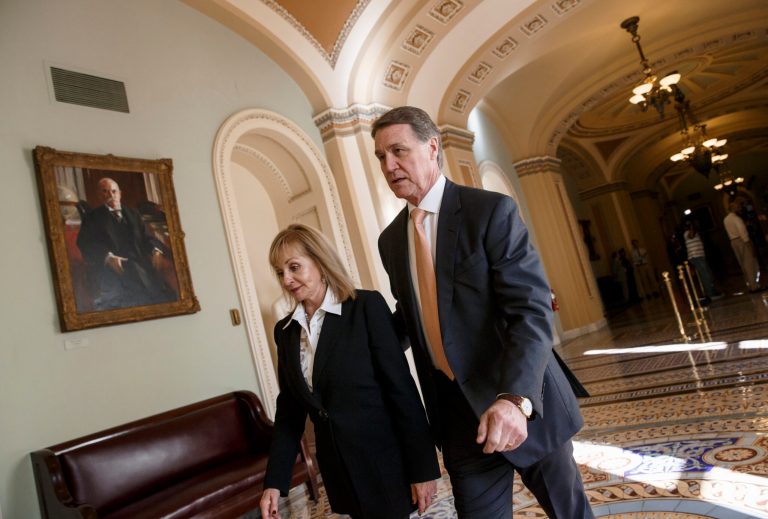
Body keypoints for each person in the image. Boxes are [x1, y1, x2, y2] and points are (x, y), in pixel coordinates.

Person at [372, 106, 593, 519]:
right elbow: (415, 315)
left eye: (398, 151)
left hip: (523, 399)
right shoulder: (390, 242)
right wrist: (358, 337)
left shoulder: (490, 211)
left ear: (432, 147)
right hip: (457, 417)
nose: (389, 165)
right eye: (381, 157)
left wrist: (515, 399)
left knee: (570, 514)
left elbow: (530, 311)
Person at [260, 224, 439, 519]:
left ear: (319, 262)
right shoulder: (286, 331)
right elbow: (289, 412)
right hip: (340, 475)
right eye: (280, 273)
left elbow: (402, 391)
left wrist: (423, 470)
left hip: (385, 468)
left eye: (294, 267)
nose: (287, 280)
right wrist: (274, 483)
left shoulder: (365, 307)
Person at [76, 177, 176, 310]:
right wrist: (108, 257)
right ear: (99, 195)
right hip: (114, 269)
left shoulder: (133, 214)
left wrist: (156, 250)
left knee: (166, 295)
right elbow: (85, 243)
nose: (111, 195)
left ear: (120, 193)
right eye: (105, 192)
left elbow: (147, 238)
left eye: (113, 191)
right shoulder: (92, 218)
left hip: (141, 264)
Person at [723, 201, 762, 292]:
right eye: (738, 207)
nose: (740, 209)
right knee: (750, 263)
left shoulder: (725, 219)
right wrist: (750, 246)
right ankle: (754, 286)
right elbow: (743, 234)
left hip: (733, 242)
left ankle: (749, 285)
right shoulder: (737, 219)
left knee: (743, 265)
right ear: (734, 208)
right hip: (742, 241)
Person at [683, 220, 722, 301]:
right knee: (705, 275)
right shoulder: (687, 233)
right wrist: (692, 226)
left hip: (700, 256)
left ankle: (712, 291)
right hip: (696, 256)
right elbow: (691, 235)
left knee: (708, 273)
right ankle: (710, 293)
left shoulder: (695, 232)